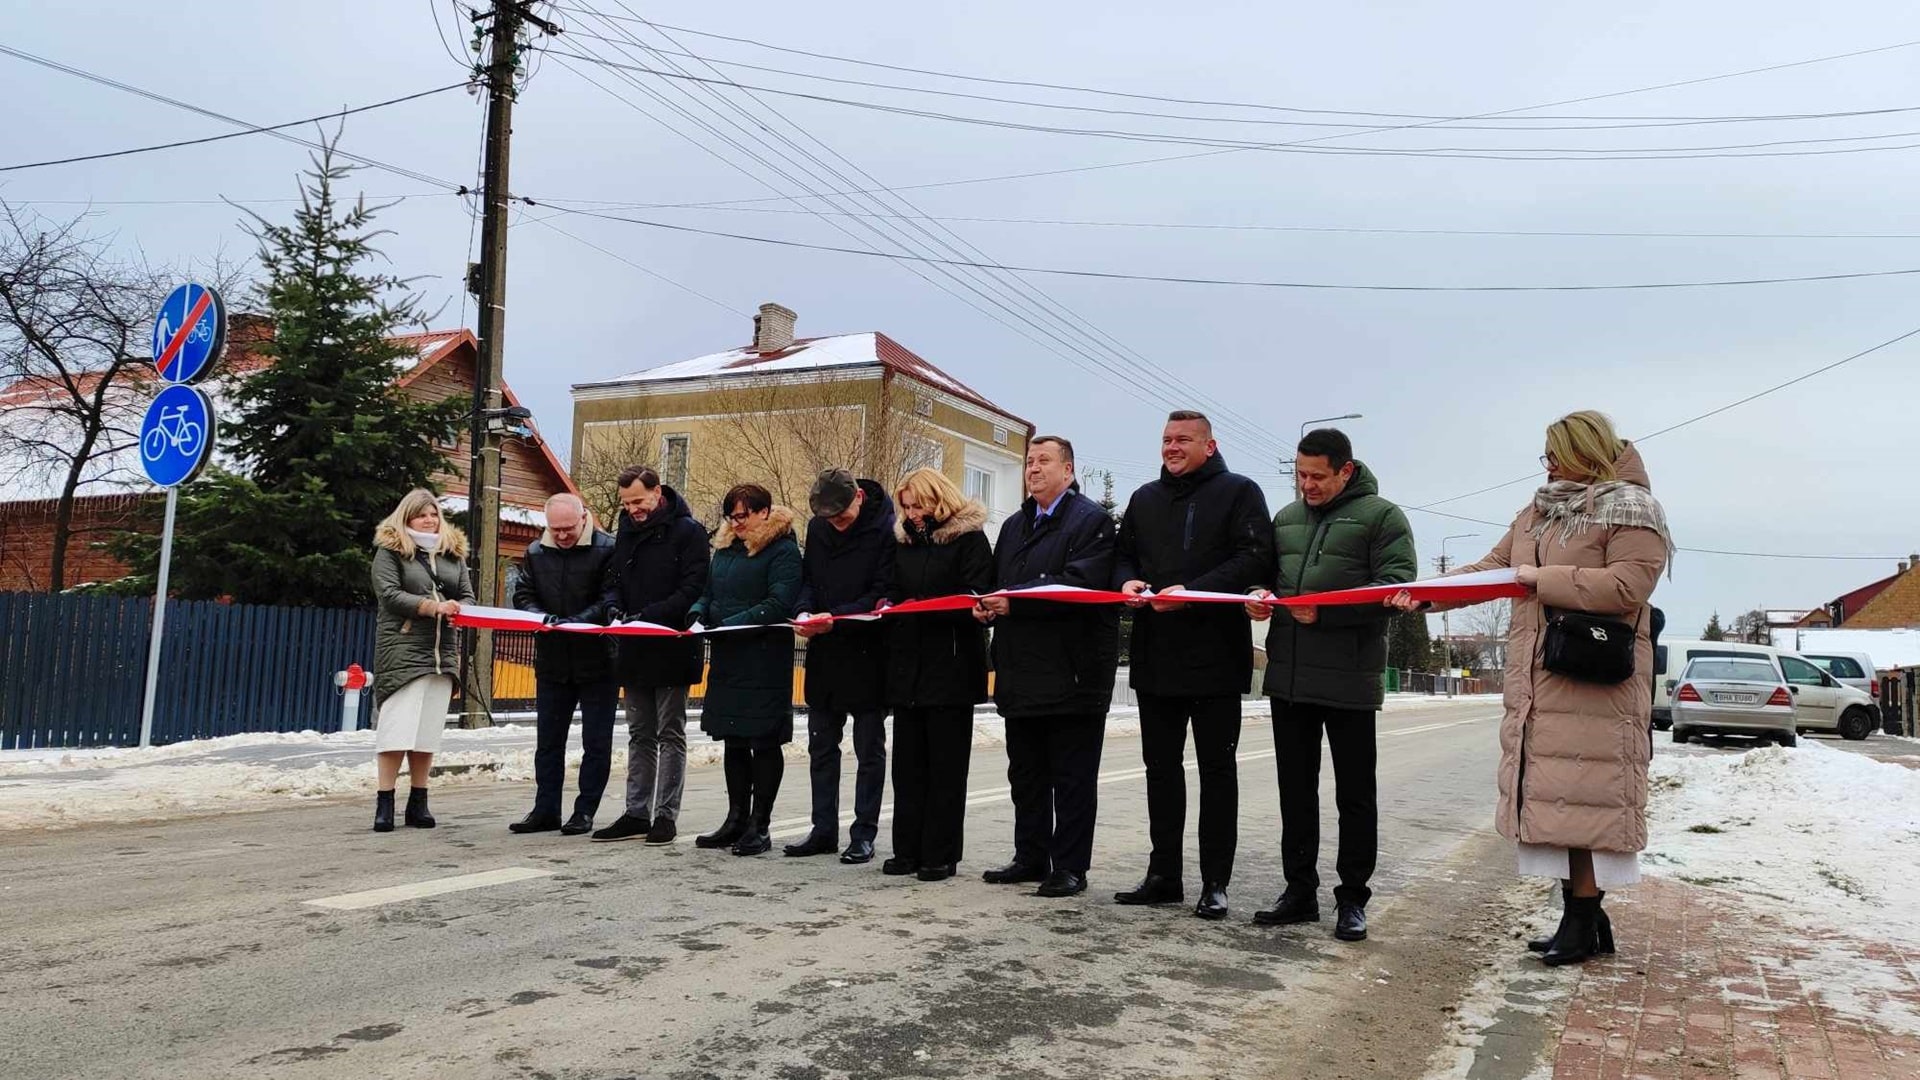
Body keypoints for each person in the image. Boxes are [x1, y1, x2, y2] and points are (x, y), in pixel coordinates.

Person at [1390, 411, 1670, 966]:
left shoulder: (1632, 509)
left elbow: (1627, 585)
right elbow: (1494, 568)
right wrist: (1425, 594)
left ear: (1586, 452)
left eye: (1556, 455)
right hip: (1542, 683)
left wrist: (1541, 580)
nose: (1548, 467)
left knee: (1588, 801)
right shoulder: (1539, 512)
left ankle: (1582, 919)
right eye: (1546, 457)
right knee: (1559, 802)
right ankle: (1585, 918)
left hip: (1594, 682)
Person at [1248, 428, 1415, 942]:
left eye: (1317, 476)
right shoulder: (1286, 519)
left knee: (1354, 795)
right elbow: (1264, 576)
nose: (1307, 485)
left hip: (1349, 677)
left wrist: (1326, 614)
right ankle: (1299, 891)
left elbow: (1396, 586)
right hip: (1289, 677)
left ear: (1346, 470)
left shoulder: (1383, 517)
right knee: (1295, 792)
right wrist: (1257, 596)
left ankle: (1353, 899)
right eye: (1301, 475)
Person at [1114, 411, 1273, 920]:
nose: (1172, 447)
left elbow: (1255, 558)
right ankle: (1164, 875)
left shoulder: (1239, 492)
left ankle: (1215, 882)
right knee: (1160, 771)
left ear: (1210, 445)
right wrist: (1126, 581)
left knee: (1216, 773)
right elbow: (1123, 555)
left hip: (1215, 657)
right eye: (1166, 439)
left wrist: (1196, 593)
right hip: (1156, 655)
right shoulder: (1144, 498)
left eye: (1183, 439)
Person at [977, 435, 1120, 899]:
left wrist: (1015, 603)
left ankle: (1071, 866)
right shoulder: (1015, 525)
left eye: (1044, 461)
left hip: (1072, 673)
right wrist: (986, 605)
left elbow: (1080, 585)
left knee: (1071, 778)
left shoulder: (1092, 522)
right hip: (1021, 672)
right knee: (1027, 774)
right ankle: (1030, 855)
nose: (1033, 469)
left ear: (1069, 470)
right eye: (1029, 462)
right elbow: (999, 584)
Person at [883, 467, 994, 882]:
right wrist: (890, 604)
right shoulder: (904, 543)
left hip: (951, 667)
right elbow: (894, 588)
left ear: (939, 500)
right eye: (907, 507)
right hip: (908, 666)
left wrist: (929, 605)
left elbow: (978, 594)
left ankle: (940, 853)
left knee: (945, 768)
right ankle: (906, 850)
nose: (912, 514)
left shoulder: (970, 540)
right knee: (908, 767)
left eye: (918, 505)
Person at [591, 467, 711, 845]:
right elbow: (612, 581)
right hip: (633, 647)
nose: (633, 510)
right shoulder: (625, 531)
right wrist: (613, 608)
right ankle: (636, 811)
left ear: (657, 492)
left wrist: (651, 615)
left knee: (669, 732)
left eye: (638, 501)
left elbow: (693, 587)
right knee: (639, 733)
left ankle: (665, 814)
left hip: (672, 645)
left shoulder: (689, 532)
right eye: (626, 503)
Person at [787, 469, 898, 864]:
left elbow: (883, 591)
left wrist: (836, 617)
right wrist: (803, 610)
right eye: (828, 517)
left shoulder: (886, 529)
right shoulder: (819, 528)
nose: (835, 523)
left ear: (858, 499)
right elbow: (808, 579)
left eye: (841, 515)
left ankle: (864, 832)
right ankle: (823, 829)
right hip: (825, 652)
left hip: (867, 651)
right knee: (821, 745)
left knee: (868, 749)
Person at [688, 484, 803, 857]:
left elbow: (779, 601)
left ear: (764, 512)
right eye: (731, 516)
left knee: (764, 741)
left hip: (764, 659)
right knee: (734, 740)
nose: (736, 523)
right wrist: (697, 613)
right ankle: (735, 818)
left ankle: (760, 824)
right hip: (729, 658)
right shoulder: (724, 549)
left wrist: (731, 625)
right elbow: (708, 591)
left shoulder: (783, 550)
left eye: (743, 515)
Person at [506, 493, 617, 836]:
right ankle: (545, 809)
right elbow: (522, 594)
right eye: (556, 529)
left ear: (584, 518)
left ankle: (584, 811)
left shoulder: (608, 548)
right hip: (552, 659)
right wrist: (542, 618)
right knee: (548, 742)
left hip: (599, 660)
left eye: (569, 528)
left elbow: (610, 597)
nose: (563, 535)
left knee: (595, 742)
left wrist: (577, 622)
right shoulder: (536, 551)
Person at [368, 489, 475, 833]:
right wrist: (432, 607)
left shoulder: (452, 553)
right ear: (407, 517)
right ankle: (385, 801)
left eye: (433, 514)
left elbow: (467, 595)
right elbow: (389, 594)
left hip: (442, 654)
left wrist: (461, 609)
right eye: (421, 515)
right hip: (404, 649)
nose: (429, 520)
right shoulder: (391, 551)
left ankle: (419, 800)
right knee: (395, 732)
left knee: (426, 734)